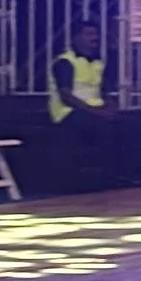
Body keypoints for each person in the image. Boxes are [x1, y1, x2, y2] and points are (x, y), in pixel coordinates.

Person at [47, 18, 116, 190]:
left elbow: (103, 90)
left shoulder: (97, 61)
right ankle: (98, 181)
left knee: (128, 126)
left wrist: (110, 107)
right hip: (67, 112)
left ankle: (118, 177)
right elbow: (66, 96)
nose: (95, 38)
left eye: (96, 34)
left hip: (93, 108)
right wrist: (97, 112)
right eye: (89, 34)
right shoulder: (65, 62)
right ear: (76, 37)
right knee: (103, 129)